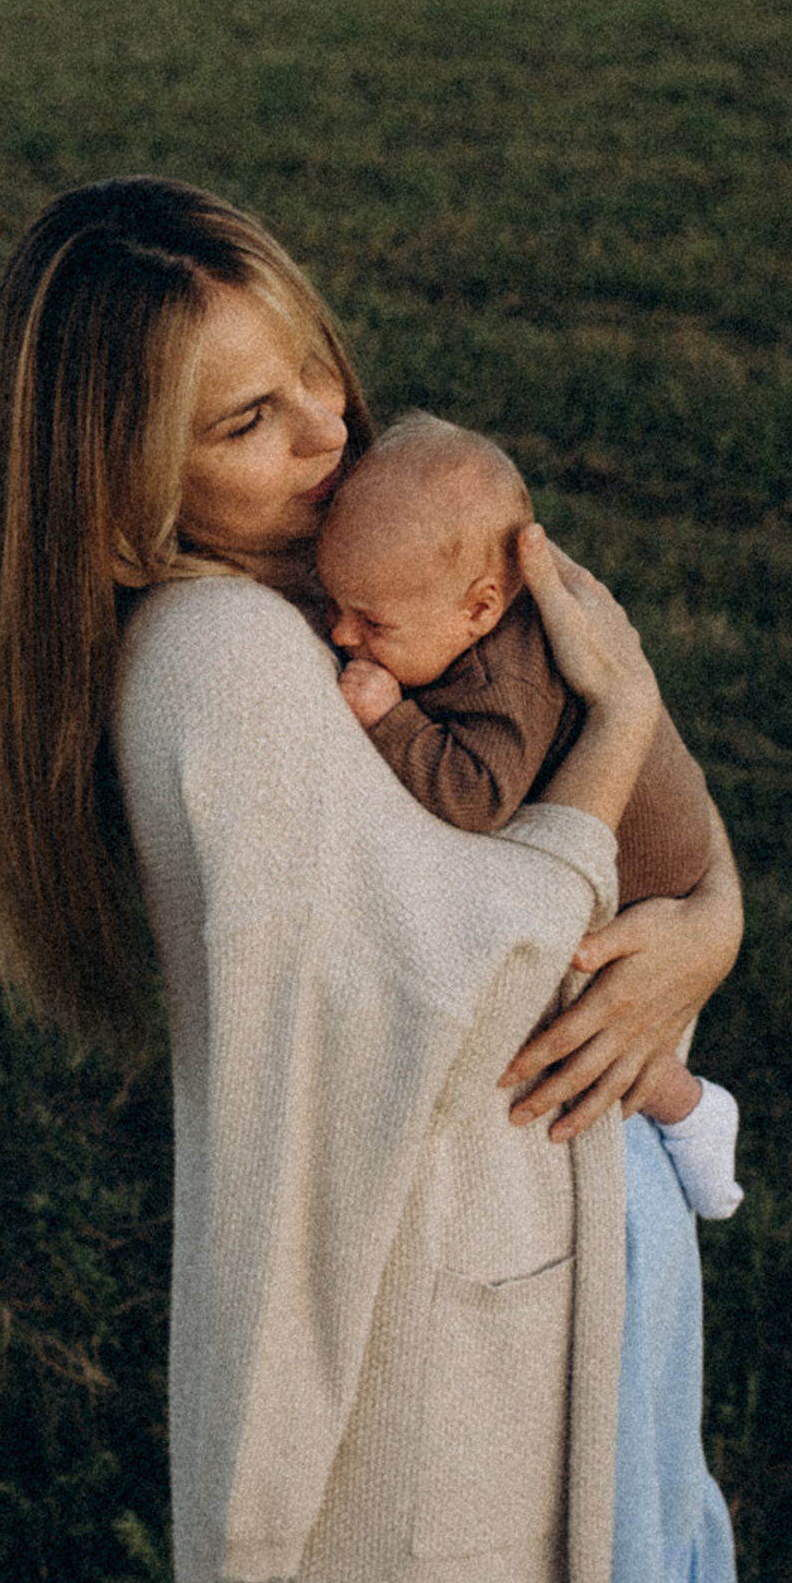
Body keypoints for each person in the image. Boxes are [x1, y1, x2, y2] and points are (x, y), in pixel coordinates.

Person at [0, 180, 744, 1583]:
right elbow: (467, 966)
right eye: (251, 422)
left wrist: (716, 922)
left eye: (316, 372)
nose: (336, 432)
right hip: (450, 1371)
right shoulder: (229, 659)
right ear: (117, 506)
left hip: (552, 1293)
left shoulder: (345, 580)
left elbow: (612, 850)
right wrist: (617, 729)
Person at [315, 411, 742, 1215]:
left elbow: (475, 795)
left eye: (372, 621)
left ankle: (692, 1113)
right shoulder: (443, 609)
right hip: (672, 851)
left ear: (479, 610)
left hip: (649, 875)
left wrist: (393, 719)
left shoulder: (501, 684)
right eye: (336, 605)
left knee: (592, 1017)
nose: (343, 634)